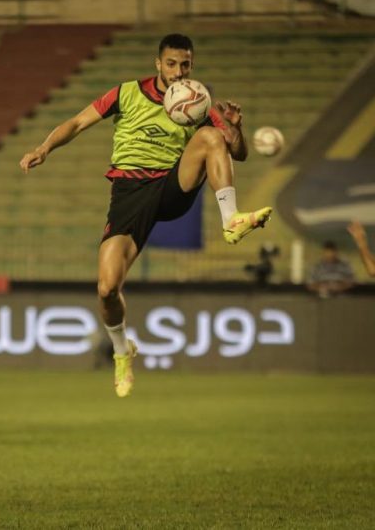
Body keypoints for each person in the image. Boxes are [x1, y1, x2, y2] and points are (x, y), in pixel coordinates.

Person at [19, 33, 271, 398]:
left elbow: (238, 152)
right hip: (129, 194)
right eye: (171, 64)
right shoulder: (125, 93)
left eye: (185, 64)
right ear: (158, 64)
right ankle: (123, 350)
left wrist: (234, 127)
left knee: (211, 138)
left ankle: (231, 219)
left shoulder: (200, 102)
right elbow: (76, 123)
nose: (178, 71)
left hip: (171, 186)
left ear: (192, 65)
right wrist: (44, 148)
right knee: (107, 289)